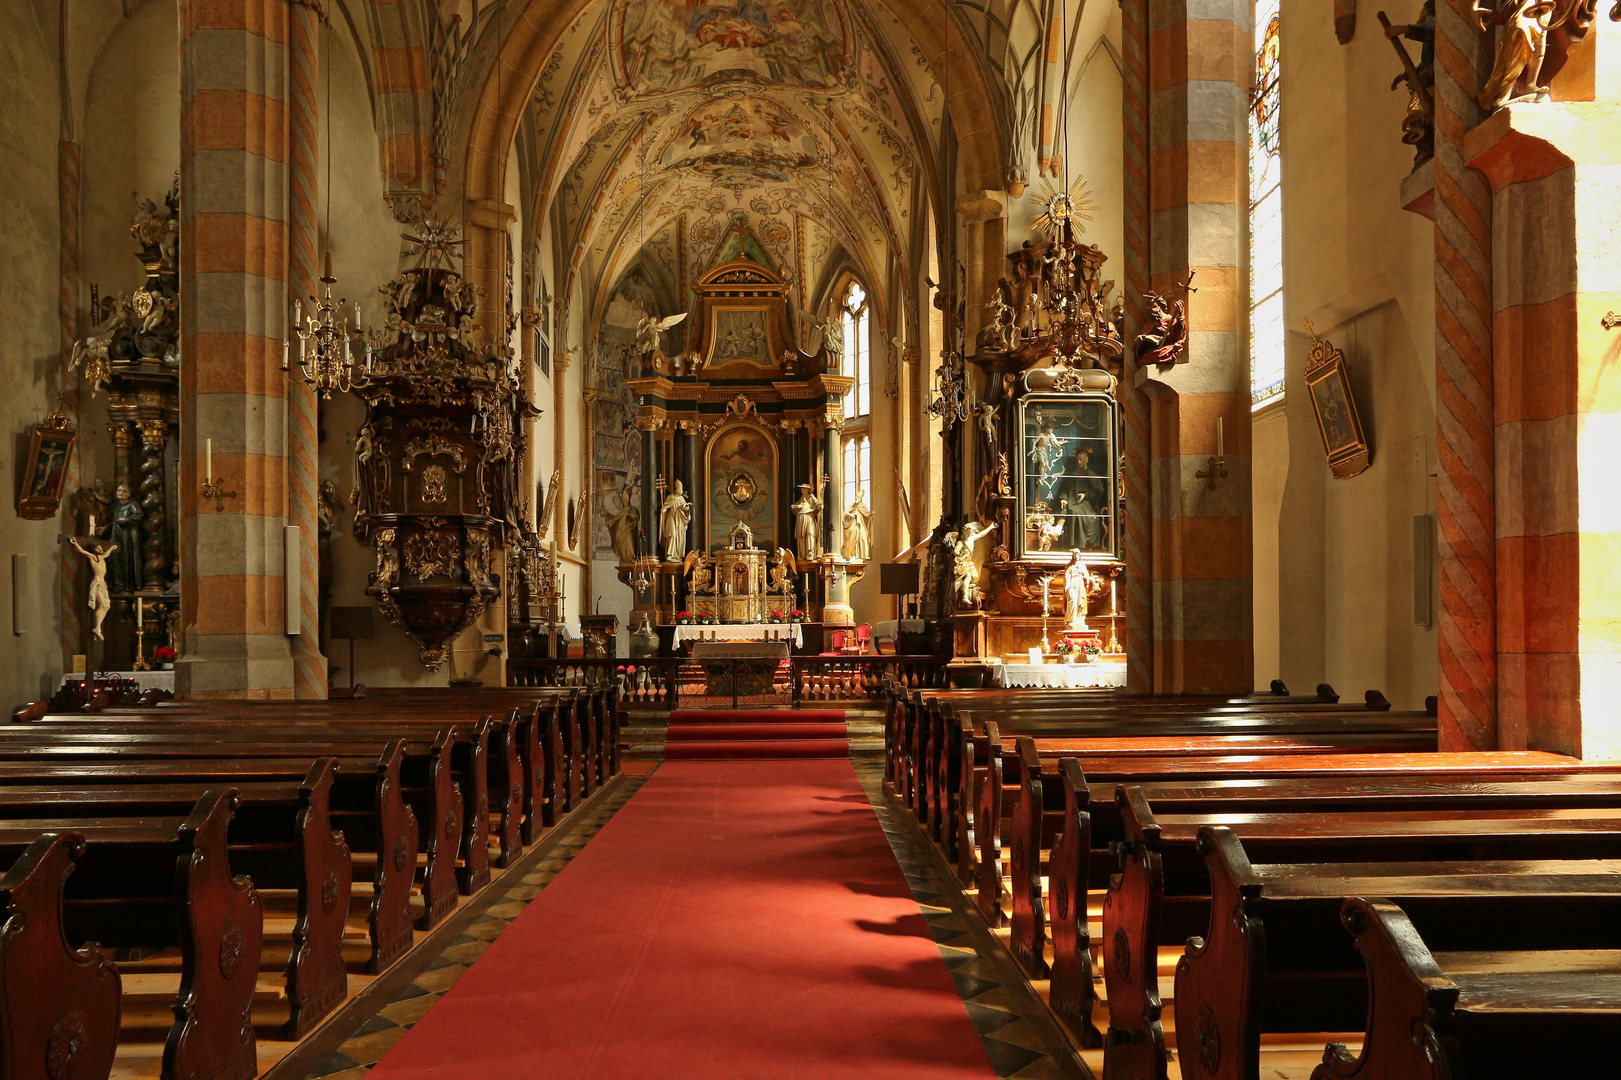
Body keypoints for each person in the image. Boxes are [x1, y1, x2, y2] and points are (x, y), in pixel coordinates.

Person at [70, 538, 115, 641]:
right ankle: (97, 628)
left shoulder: (102, 557)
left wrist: (112, 548)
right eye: (97, 547)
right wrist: (76, 543)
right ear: (94, 549)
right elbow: (82, 551)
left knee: (106, 606)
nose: (99, 548)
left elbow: (107, 554)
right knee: (103, 605)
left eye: (100, 547)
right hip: (97, 583)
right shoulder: (92, 557)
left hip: (103, 584)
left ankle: (97, 627)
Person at [110, 484, 144, 592]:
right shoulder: (116, 507)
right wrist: (105, 528)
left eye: (124, 491)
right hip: (117, 535)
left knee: (126, 558)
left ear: (129, 494)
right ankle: (118, 583)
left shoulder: (133, 504)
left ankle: (128, 584)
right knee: (115, 558)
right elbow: (114, 521)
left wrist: (127, 519)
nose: (121, 492)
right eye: (119, 490)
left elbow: (138, 516)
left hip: (128, 535)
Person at [659, 480, 691, 562]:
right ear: (676, 490)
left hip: (679, 519)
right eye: (679, 490)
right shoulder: (670, 497)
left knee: (678, 537)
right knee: (672, 535)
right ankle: (670, 554)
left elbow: (685, 510)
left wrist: (686, 508)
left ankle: (676, 554)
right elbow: (666, 506)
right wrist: (663, 510)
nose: (680, 492)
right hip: (671, 517)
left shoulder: (682, 498)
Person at [791, 482, 822, 559]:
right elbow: (795, 505)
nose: (802, 490)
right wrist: (794, 507)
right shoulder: (802, 498)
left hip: (808, 517)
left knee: (810, 533)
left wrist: (819, 507)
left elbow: (817, 504)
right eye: (801, 489)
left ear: (807, 490)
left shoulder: (811, 497)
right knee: (801, 536)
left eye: (803, 489)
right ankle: (802, 554)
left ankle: (810, 552)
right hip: (800, 518)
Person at [842, 496, 872, 561]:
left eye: (857, 497)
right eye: (856, 497)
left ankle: (864, 554)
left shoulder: (862, 506)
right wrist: (851, 516)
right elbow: (845, 513)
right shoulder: (853, 506)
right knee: (853, 539)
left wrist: (871, 514)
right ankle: (853, 554)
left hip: (860, 524)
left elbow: (867, 514)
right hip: (853, 524)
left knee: (863, 538)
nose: (856, 499)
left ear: (860, 498)